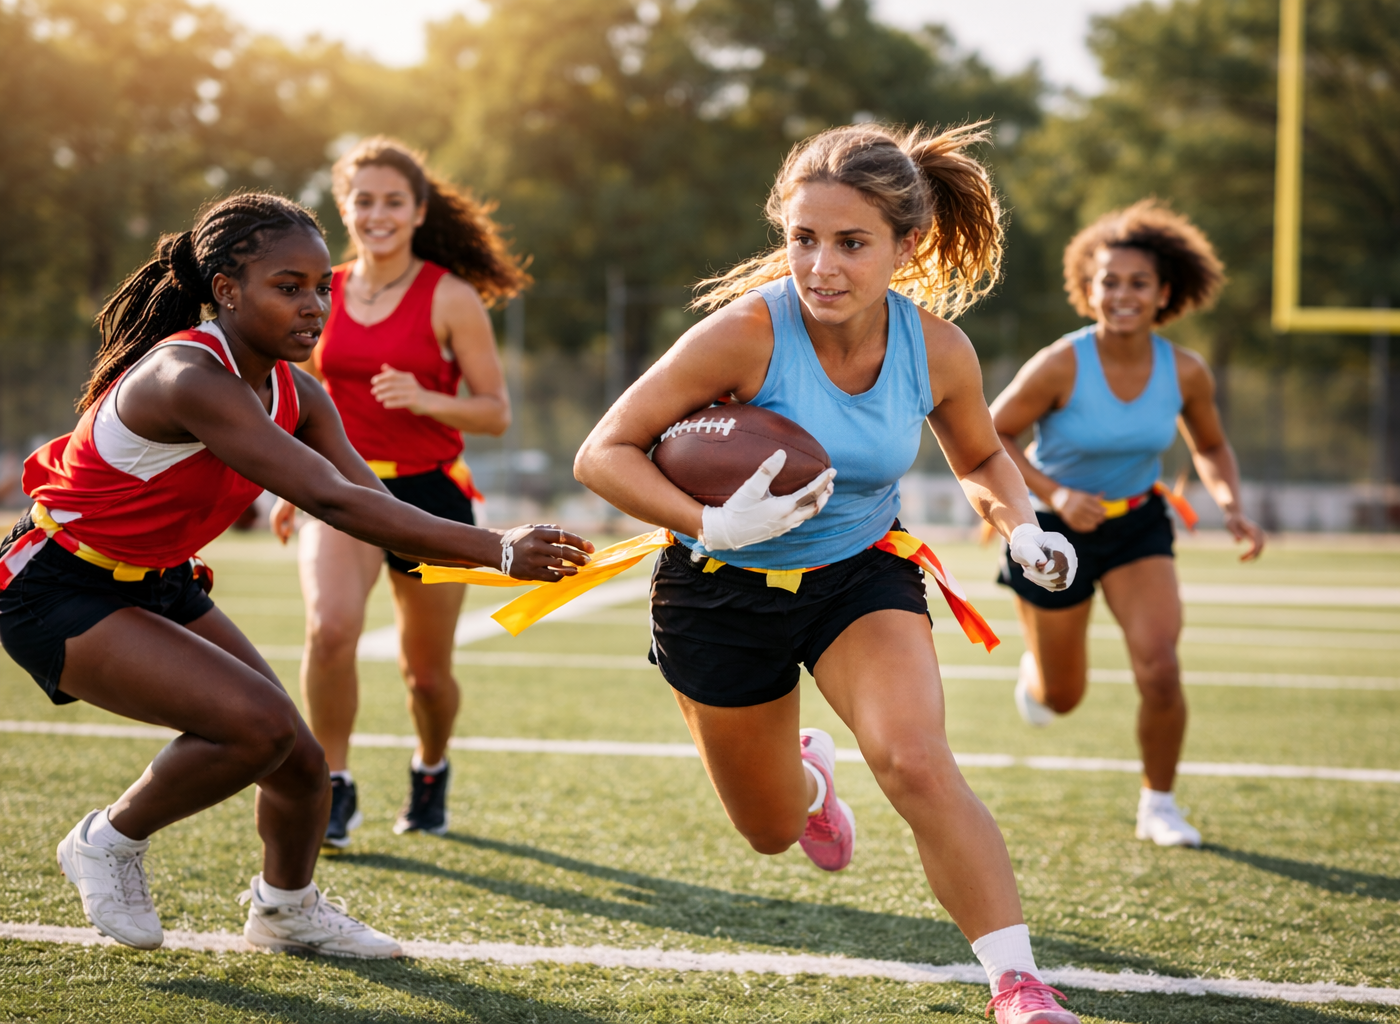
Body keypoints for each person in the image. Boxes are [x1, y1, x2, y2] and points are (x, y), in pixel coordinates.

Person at [576, 123, 1084, 1024]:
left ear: (906, 245)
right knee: (770, 831)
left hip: (858, 578)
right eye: (803, 239)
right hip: (716, 593)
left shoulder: (937, 349)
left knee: (917, 762)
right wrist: (709, 521)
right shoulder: (743, 335)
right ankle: (809, 783)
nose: (821, 266)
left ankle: (1018, 985)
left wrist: (1023, 528)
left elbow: (980, 458)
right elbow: (602, 453)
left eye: (851, 243)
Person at [0, 193, 589, 956]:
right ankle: (106, 840)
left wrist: (501, 561)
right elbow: (327, 497)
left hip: (155, 579)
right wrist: (497, 546)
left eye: (322, 288)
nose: (314, 306)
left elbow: (372, 504)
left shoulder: (297, 391)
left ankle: (285, 909)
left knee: (302, 762)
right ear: (226, 290)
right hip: (57, 586)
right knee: (257, 728)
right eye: (290, 287)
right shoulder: (187, 374)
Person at [268, 138, 529, 846]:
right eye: (364, 201)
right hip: (342, 489)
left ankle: (431, 766)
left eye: (393, 201)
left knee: (426, 676)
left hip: (429, 498)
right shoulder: (323, 289)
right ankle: (334, 785)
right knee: (330, 633)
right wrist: (292, 481)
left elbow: (495, 411)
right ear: (344, 209)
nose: (377, 214)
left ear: (417, 211)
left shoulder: (449, 295)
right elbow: (300, 396)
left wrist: (424, 399)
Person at [988, 199, 1265, 849]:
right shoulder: (1061, 363)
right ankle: (1035, 673)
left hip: (1139, 526)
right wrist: (1056, 490)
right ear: (1090, 289)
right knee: (1063, 698)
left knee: (1160, 668)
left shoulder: (1186, 371)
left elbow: (1211, 446)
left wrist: (1230, 502)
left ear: (1163, 293)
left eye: (1138, 283)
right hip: (1054, 533)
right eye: (1109, 281)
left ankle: (1159, 806)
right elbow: (989, 437)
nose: (1123, 294)